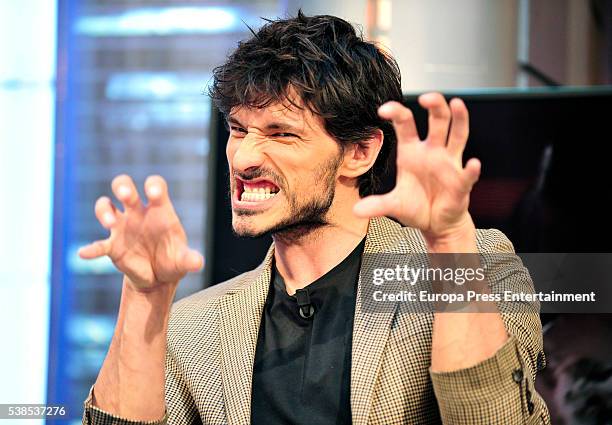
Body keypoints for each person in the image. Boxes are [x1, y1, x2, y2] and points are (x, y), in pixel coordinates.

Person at [80, 11, 550, 425]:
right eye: (238, 129)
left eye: (281, 133)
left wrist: (448, 240)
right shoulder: (195, 326)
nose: (243, 158)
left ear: (360, 152)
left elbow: (492, 416)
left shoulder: (476, 267)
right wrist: (144, 294)